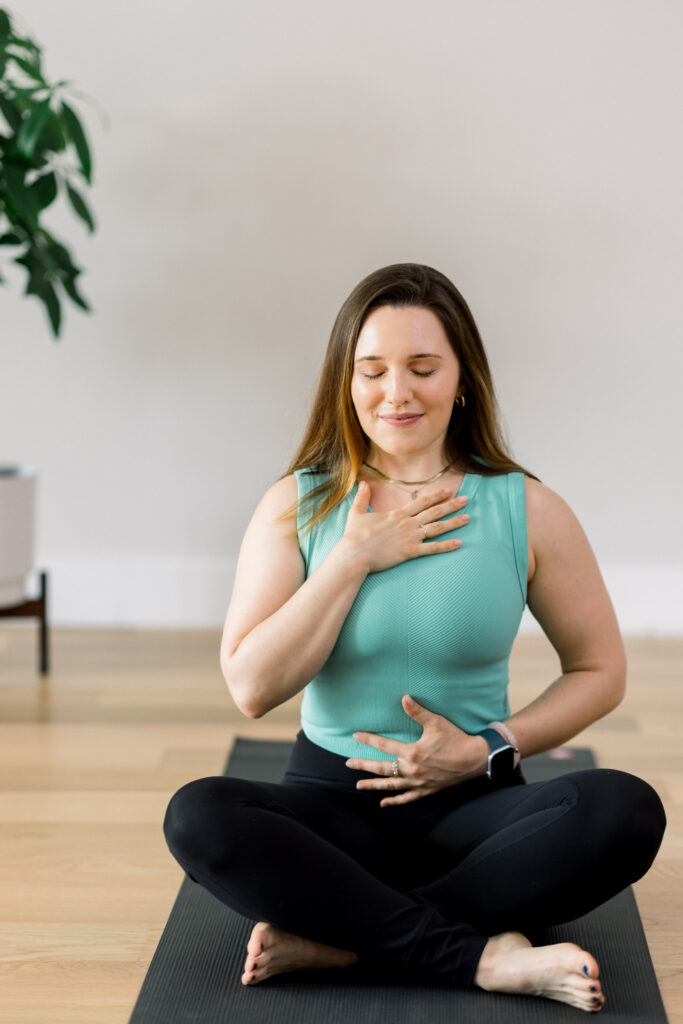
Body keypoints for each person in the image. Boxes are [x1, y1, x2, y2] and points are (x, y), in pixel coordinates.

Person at [164, 263, 666, 1013]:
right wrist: (352, 558)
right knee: (198, 815)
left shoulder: (526, 508)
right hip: (332, 808)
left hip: (475, 809)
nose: (395, 393)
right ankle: (479, 955)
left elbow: (599, 670)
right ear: (346, 382)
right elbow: (252, 688)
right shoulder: (295, 503)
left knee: (626, 810)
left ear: (462, 379)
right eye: (372, 371)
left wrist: (487, 746)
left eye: (422, 368)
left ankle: (344, 938)